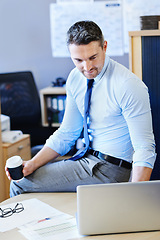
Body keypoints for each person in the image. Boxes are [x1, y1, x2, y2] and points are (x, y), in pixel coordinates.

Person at [6, 20, 156, 197]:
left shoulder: (128, 85)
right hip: (86, 159)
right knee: (21, 179)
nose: (87, 67)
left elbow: (144, 147)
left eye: (93, 57)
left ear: (104, 47)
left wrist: (134, 196)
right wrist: (32, 163)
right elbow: (67, 133)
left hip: (111, 170)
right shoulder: (75, 78)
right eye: (78, 60)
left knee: (20, 185)